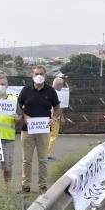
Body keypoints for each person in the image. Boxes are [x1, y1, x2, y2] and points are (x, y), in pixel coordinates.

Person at [17, 65, 62, 194]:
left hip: (43, 131)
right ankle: (26, 185)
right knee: (27, 160)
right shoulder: (25, 90)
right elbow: (19, 105)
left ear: (45, 75)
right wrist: (24, 116)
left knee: (43, 159)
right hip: (27, 130)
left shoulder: (51, 91)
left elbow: (57, 108)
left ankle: (42, 185)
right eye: (36, 73)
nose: (39, 76)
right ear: (32, 75)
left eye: (41, 73)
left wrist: (54, 119)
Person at [47, 75, 68, 161]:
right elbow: (59, 108)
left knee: (46, 137)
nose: (62, 87)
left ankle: (45, 153)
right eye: (61, 85)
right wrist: (61, 117)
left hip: (46, 117)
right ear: (58, 85)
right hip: (54, 119)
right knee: (53, 137)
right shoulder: (57, 93)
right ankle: (48, 154)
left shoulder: (47, 91)